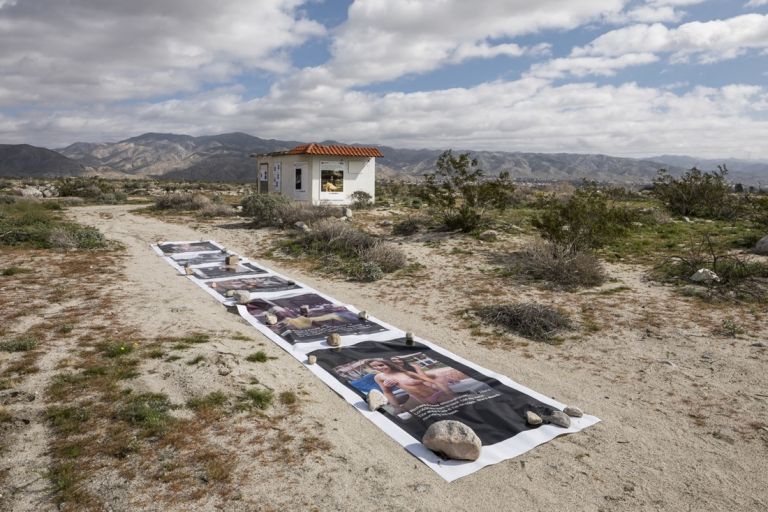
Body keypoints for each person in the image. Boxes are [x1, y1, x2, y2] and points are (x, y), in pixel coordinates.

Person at [369, 359, 454, 413]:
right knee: (398, 415)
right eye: (374, 367)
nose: (378, 368)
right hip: (418, 399)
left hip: (436, 394)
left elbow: (431, 380)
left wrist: (448, 392)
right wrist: (396, 407)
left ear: (388, 363)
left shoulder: (406, 372)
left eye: (381, 365)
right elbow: (387, 392)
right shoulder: (379, 377)